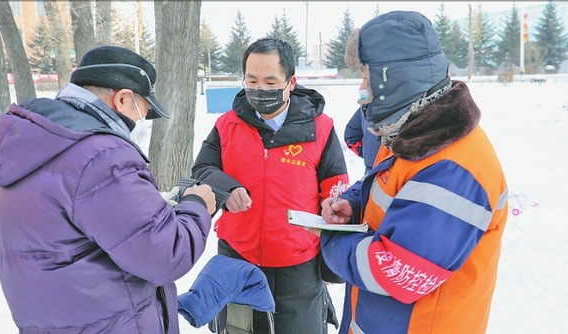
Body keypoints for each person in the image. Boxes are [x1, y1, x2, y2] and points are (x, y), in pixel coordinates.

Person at [0, 46, 216, 334]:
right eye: (142, 109)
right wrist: (196, 205)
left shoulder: (30, 149)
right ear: (123, 98)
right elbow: (165, 255)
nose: (140, 122)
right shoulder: (103, 158)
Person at [311, 11, 509, 334]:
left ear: (394, 80)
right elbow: (387, 182)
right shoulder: (412, 131)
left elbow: (396, 274)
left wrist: (331, 240)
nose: (361, 87)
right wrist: (354, 205)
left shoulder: (454, 170)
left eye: (366, 76)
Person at [191, 37, 349, 334]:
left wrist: (331, 256)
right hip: (238, 260)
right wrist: (227, 189)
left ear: (291, 82)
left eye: (270, 81)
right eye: (252, 80)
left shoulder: (321, 126)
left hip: (299, 266)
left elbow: (335, 187)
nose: (259, 89)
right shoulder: (227, 124)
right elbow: (203, 169)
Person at [344, 69, 382, 173]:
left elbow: (351, 136)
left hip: (372, 169)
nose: (361, 88)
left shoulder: (365, 108)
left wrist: (370, 153)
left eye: (366, 80)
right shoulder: (365, 108)